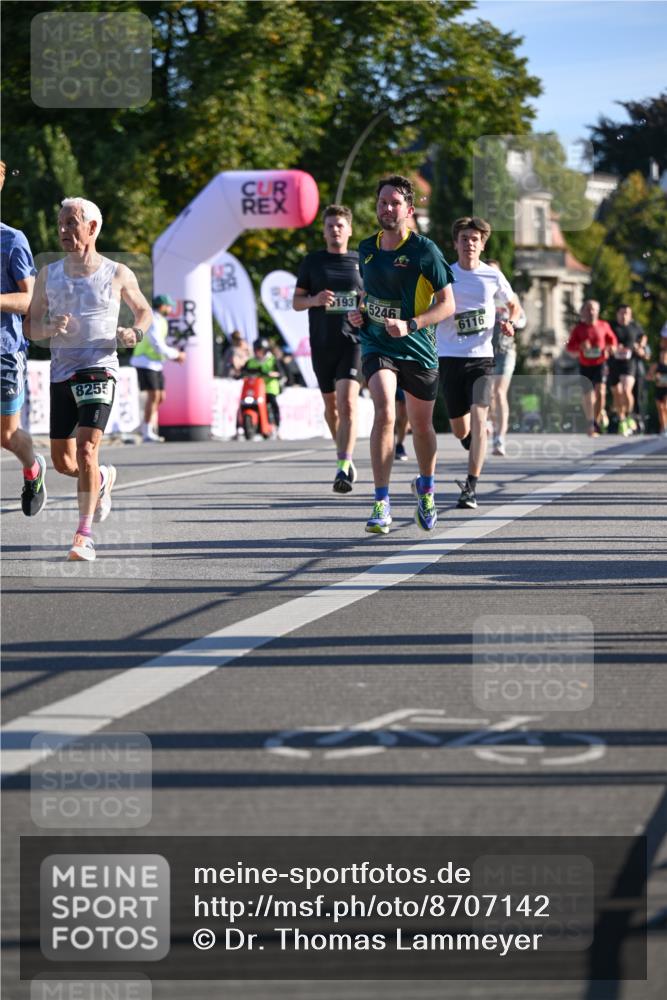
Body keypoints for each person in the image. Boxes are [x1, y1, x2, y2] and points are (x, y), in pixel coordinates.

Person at [25, 196, 152, 562]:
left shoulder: (117, 272)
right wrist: (47, 327)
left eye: (71, 223)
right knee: (64, 462)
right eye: (61, 223)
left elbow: (143, 311)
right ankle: (100, 480)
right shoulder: (48, 274)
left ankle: (83, 536)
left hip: (99, 366)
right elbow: (31, 325)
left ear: (92, 228)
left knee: (86, 449)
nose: (63, 230)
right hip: (61, 369)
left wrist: (134, 334)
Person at [348, 174, 455, 533]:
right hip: (377, 344)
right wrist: (360, 312)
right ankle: (381, 501)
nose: (387, 208)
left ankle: (426, 488)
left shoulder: (425, 250)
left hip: (418, 348)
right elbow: (371, 295)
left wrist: (411, 324)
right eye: (382, 202)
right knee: (383, 411)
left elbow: (447, 305)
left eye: (395, 203)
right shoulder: (366, 248)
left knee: (421, 426)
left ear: (408, 210)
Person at [436, 217, 520, 509]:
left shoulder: (492, 276)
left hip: (481, 358)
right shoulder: (444, 273)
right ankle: (471, 443)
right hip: (448, 356)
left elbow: (514, 304)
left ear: (482, 245)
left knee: (481, 419)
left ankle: (470, 487)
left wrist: (510, 321)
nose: (469, 243)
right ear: (455, 243)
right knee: (460, 428)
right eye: (464, 238)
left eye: (475, 239)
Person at [293, 204, 364, 493]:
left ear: (349, 229)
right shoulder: (312, 262)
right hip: (322, 343)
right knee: (331, 407)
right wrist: (315, 300)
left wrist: (363, 309)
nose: (335, 229)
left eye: (339, 225)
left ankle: (343, 467)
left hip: (353, 342)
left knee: (347, 402)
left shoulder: (362, 262)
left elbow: (373, 299)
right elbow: (296, 302)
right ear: (324, 231)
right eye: (330, 225)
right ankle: (343, 452)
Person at [0, 160, 47, 516]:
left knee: (7, 436)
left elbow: (29, 300)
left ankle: (33, 469)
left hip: (5, 351)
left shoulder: (12, 240)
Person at [130, 293, 185, 442]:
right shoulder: (153, 319)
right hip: (144, 362)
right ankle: (147, 432)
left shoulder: (162, 320)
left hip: (155, 363)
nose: (170, 308)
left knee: (160, 397)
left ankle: (147, 426)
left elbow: (159, 347)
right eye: (168, 306)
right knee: (154, 396)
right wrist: (176, 354)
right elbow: (157, 345)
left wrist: (171, 357)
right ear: (162, 306)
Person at [486, 258, 526, 457]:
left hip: (506, 349)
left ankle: (499, 438)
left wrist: (510, 322)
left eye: (496, 272)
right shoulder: (481, 295)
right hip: (484, 350)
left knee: (499, 392)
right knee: (489, 393)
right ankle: (491, 425)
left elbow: (522, 319)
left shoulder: (509, 296)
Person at [565, 299, 617, 437]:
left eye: (593, 309)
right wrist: (580, 347)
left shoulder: (604, 325)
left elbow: (613, 342)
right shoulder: (578, 329)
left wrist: (609, 348)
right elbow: (569, 347)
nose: (591, 312)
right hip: (585, 365)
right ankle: (590, 422)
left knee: (601, 392)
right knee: (588, 396)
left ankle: (596, 421)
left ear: (598, 311)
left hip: (601, 363)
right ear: (582, 312)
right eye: (588, 309)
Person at [609, 304, 647, 436]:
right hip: (614, 363)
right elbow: (604, 341)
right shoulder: (611, 327)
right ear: (617, 314)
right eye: (622, 313)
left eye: (627, 313)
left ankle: (630, 414)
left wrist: (641, 345)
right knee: (617, 393)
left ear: (630, 315)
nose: (624, 315)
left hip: (629, 363)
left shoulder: (635, 326)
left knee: (626, 389)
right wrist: (613, 347)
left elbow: (643, 336)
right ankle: (622, 419)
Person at [244, 338, 282, 435]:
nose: (258, 352)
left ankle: (277, 426)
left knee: (273, 404)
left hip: (269, 388)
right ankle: (241, 427)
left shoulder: (272, 360)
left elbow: (281, 373)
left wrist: (271, 374)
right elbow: (244, 371)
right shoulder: (251, 361)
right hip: (255, 389)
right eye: (257, 349)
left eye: (260, 350)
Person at [647, 340, 667, 437]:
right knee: (660, 409)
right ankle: (663, 427)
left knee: (666, 407)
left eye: (665, 355)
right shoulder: (656, 365)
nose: (663, 357)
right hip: (658, 389)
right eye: (662, 355)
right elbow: (648, 377)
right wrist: (655, 377)